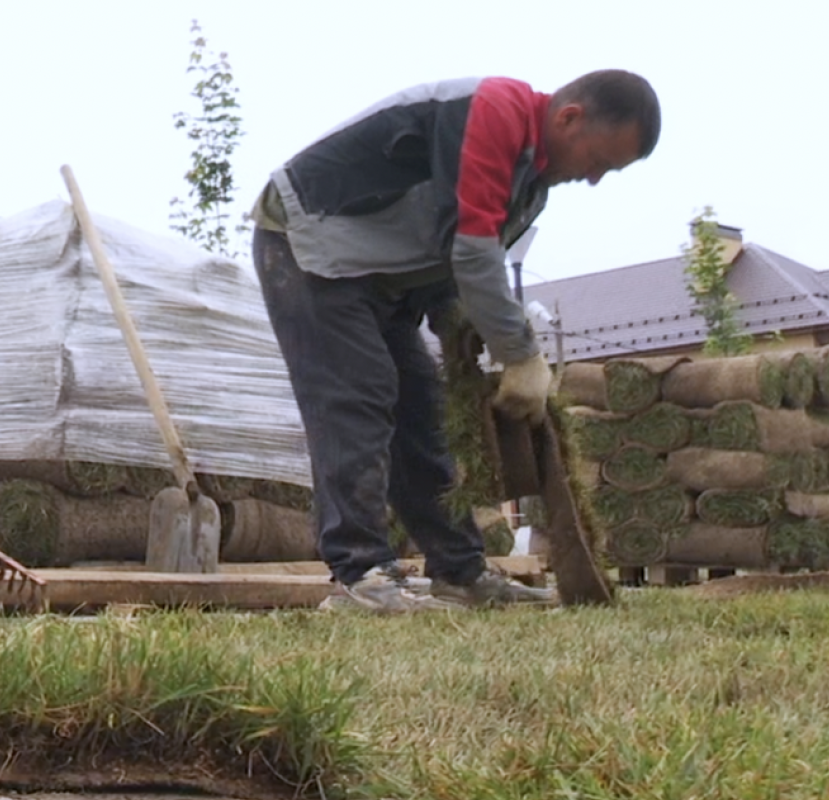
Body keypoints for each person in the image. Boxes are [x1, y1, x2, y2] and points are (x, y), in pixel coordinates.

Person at [251, 71, 660, 612]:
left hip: (381, 275)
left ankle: (461, 572)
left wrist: (470, 346)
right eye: (598, 161)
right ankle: (360, 577)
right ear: (569, 118)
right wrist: (521, 354)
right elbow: (472, 253)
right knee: (357, 396)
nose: (593, 180)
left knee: (423, 410)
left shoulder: (530, 185)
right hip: (312, 244)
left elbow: (455, 271)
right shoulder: (495, 111)